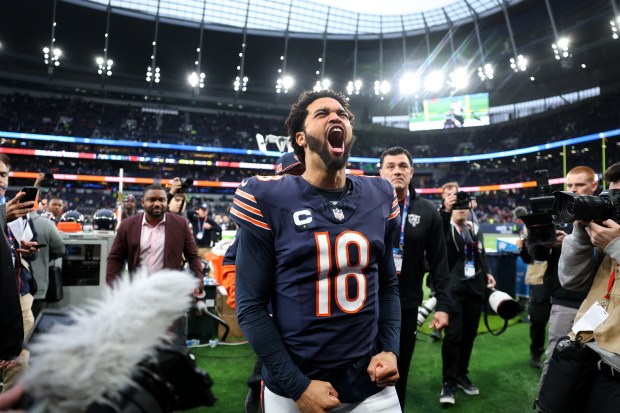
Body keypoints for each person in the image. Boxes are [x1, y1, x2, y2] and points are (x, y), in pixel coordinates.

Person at [230, 90, 401, 412]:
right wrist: (299, 387)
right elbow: (250, 306)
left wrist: (390, 349)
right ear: (301, 138)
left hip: (369, 380)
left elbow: (389, 285)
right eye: (322, 113)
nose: (336, 117)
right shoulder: (268, 197)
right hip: (296, 386)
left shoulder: (380, 193)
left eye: (343, 115)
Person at [221, 150, 305, 413]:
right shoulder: (263, 217)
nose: (296, 180)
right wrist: (250, 307)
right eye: (289, 176)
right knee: (265, 389)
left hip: (315, 330)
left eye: (300, 173)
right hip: (275, 327)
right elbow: (230, 263)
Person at [379, 146, 451, 411]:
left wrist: (443, 305)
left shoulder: (427, 211)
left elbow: (440, 263)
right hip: (366, 306)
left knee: (397, 372)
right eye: (390, 165)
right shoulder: (365, 204)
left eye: (402, 166)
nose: (397, 170)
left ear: (411, 172)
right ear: (380, 171)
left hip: (405, 306)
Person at [551, 162, 620, 411]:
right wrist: (580, 232)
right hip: (591, 355)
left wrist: (616, 246)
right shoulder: (610, 231)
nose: (614, 203)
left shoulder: (615, 240)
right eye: (612, 196)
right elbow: (572, 280)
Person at [106, 184, 204, 344]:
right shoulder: (127, 225)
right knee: (140, 345)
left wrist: (198, 281)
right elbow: (115, 258)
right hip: (139, 295)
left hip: (171, 296)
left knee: (174, 347)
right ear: (143, 202)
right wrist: (112, 286)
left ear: (167, 201)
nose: (157, 204)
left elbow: (193, 256)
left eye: (161, 200)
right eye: (152, 200)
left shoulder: (180, 224)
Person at [536, 166, 597, 382]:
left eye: (579, 185)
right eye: (570, 185)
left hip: (598, 303)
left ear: (594, 186)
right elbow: (536, 255)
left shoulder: (605, 214)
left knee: (593, 363)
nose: (573, 190)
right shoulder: (558, 215)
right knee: (555, 357)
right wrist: (543, 240)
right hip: (564, 299)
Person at [439, 187, 496, 405]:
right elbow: (440, 241)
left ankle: (461, 374)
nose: (461, 210)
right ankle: (448, 382)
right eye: (457, 206)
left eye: (464, 206)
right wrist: (445, 210)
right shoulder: (446, 228)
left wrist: (488, 273)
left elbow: (480, 255)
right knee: (453, 337)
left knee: (469, 335)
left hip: (475, 289)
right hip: (453, 291)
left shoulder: (474, 228)